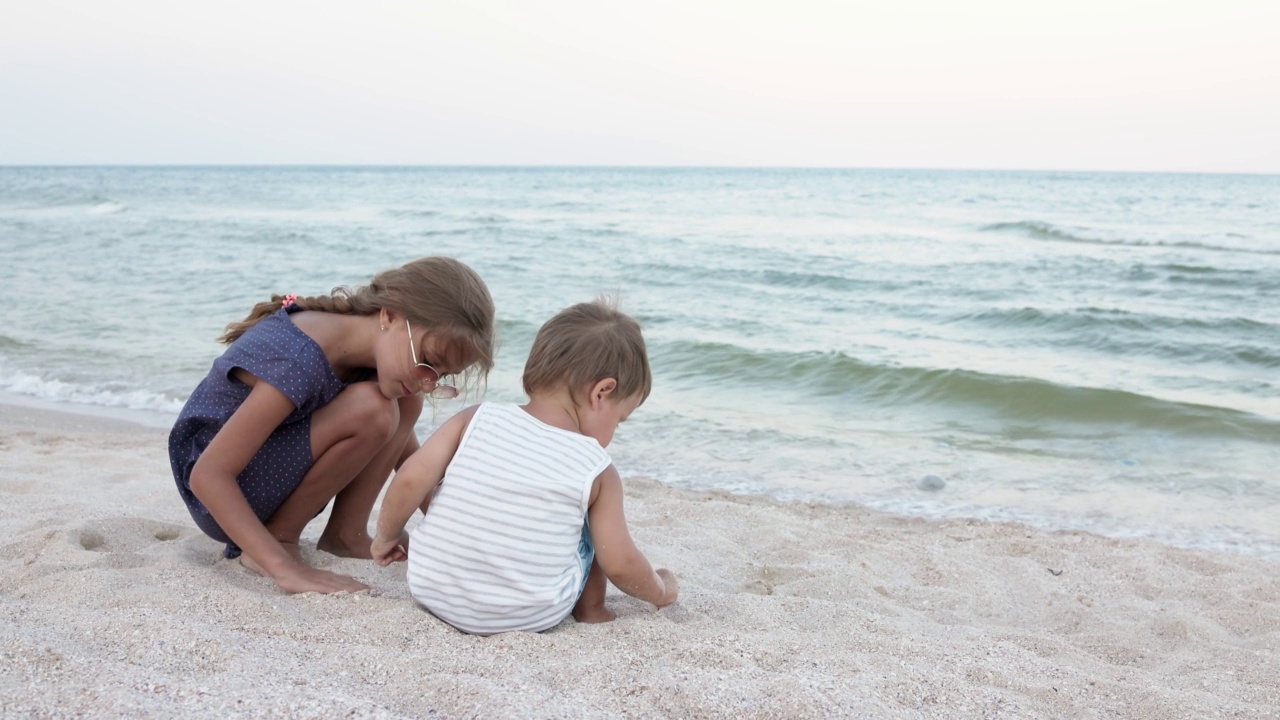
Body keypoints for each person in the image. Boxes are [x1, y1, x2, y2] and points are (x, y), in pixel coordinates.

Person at [169, 256, 495, 595]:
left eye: (440, 377)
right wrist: (283, 570)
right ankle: (278, 542)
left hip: (261, 476)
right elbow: (208, 475)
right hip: (221, 498)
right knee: (373, 408)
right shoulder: (300, 357)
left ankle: (346, 535)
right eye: (428, 362)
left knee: (404, 400)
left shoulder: (372, 356)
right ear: (391, 315)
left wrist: (453, 536)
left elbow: (413, 466)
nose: (429, 382)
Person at [372, 299, 678, 634]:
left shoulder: (477, 418)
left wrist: (386, 537)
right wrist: (660, 590)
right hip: (527, 615)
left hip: (430, 588)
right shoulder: (597, 468)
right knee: (591, 524)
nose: (613, 432)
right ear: (602, 393)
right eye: (619, 420)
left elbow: (409, 479)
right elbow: (619, 562)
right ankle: (593, 610)